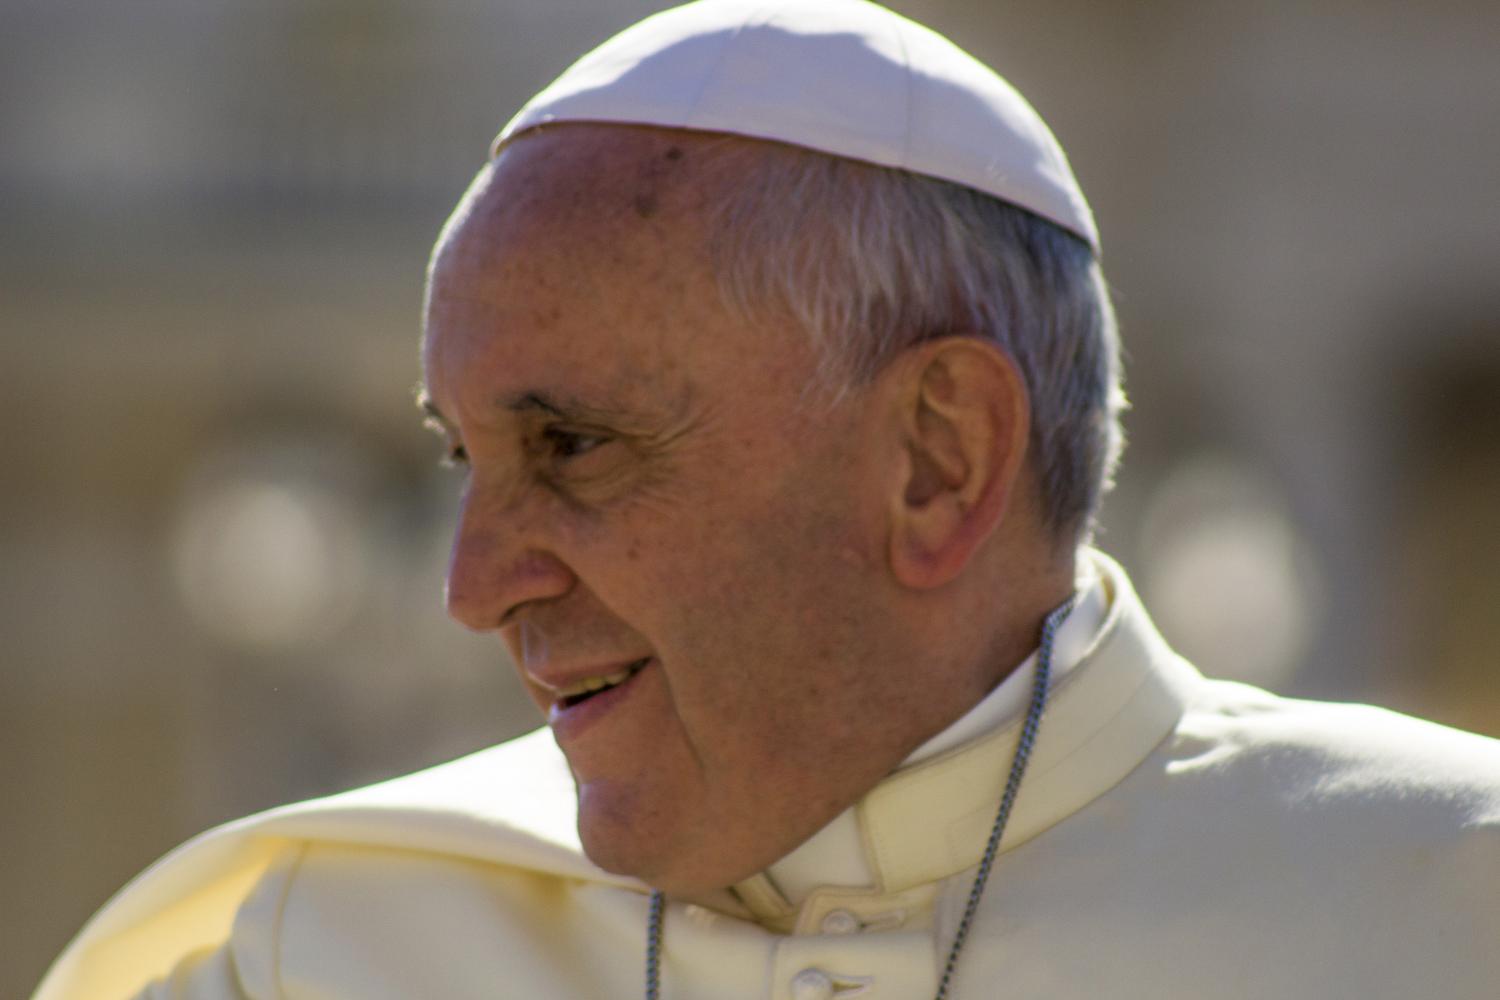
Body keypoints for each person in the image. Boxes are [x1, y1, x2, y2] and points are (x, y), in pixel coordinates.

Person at [34, 2, 1500, 998]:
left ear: (937, 459)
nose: (470, 585)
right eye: (460, 460)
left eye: (576, 449)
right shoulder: (303, 952)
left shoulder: (1449, 902)